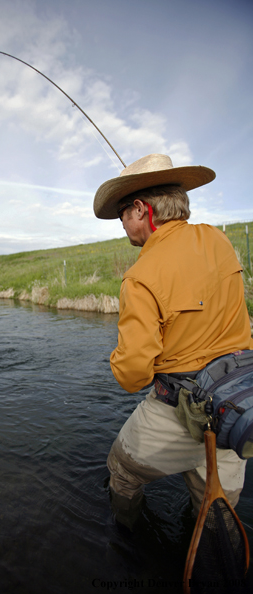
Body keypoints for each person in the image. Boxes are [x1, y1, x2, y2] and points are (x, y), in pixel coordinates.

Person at [93, 153, 253, 529]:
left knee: (121, 471)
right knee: (218, 513)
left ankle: (129, 541)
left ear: (140, 210)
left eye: (122, 217)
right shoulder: (218, 239)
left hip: (176, 413)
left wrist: (118, 355)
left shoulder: (140, 277)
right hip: (238, 403)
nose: (122, 226)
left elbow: (133, 376)